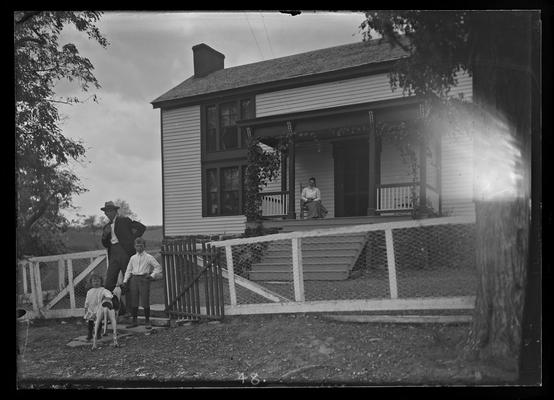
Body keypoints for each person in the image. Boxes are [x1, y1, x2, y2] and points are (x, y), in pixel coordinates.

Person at [100, 201, 146, 315]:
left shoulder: (124, 221)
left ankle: (131, 311)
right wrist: (105, 235)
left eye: (110, 211)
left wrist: (132, 240)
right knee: (108, 285)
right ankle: (121, 308)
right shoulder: (106, 227)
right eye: (106, 212)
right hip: (113, 254)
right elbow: (105, 244)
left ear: (115, 211)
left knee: (128, 282)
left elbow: (141, 228)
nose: (108, 213)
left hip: (125, 253)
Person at [121, 237, 162, 329]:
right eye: (137, 246)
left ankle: (147, 321)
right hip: (134, 279)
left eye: (141, 246)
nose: (139, 248)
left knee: (145, 300)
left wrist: (152, 275)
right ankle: (134, 321)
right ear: (134, 247)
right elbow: (128, 270)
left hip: (144, 279)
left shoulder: (149, 257)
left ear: (144, 246)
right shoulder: (133, 258)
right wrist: (125, 281)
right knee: (134, 300)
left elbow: (158, 267)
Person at [83, 274, 113, 341]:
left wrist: (107, 298)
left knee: (98, 322)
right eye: (94, 281)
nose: (96, 283)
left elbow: (109, 294)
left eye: (98, 281)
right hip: (91, 309)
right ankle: (90, 334)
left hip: (98, 309)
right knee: (90, 323)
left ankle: (98, 334)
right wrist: (86, 308)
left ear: (101, 282)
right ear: (91, 282)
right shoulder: (89, 291)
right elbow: (87, 300)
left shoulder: (102, 290)